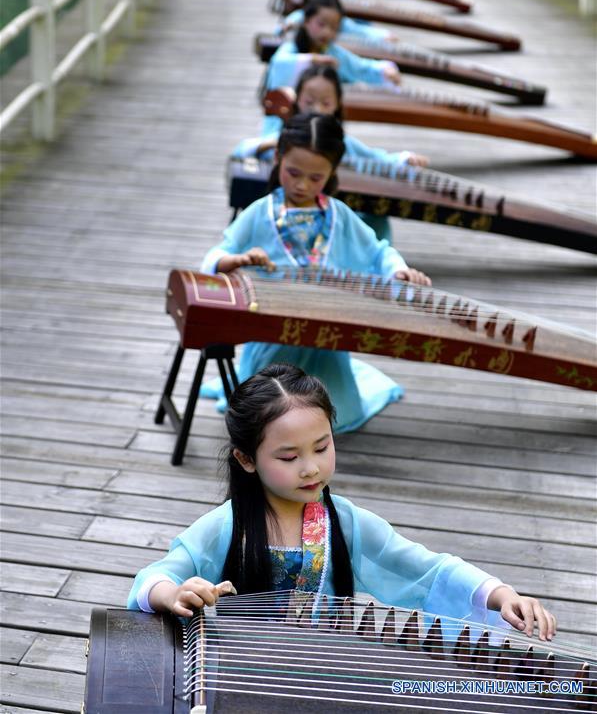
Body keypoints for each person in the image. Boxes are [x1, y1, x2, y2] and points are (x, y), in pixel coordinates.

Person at [127, 363, 556, 651]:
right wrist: (173, 592)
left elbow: (425, 569)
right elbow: (156, 577)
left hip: (327, 665)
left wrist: (500, 594)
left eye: (322, 446)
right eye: (289, 457)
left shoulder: (343, 522)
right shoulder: (227, 527)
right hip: (241, 667)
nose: (311, 468)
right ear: (246, 459)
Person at [202, 112, 429, 432]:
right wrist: (236, 260)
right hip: (272, 335)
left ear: (332, 173)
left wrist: (398, 271)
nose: (301, 184)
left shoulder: (338, 215)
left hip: (324, 337)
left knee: (332, 407)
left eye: (315, 178)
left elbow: (379, 251)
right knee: (268, 413)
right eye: (293, 172)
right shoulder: (260, 213)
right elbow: (217, 254)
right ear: (278, 157)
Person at [233, 64, 428, 241]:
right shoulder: (284, 138)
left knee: (375, 214)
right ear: (297, 99)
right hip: (284, 218)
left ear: (337, 106)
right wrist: (271, 143)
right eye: (309, 102)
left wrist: (404, 159)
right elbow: (242, 151)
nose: (316, 109)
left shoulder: (340, 143)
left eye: (325, 104)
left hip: (332, 222)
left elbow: (376, 159)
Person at [265, 0, 400, 91]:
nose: (327, 32)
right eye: (321, 24)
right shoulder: (291, 47)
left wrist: (384, 70)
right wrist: (313, 59)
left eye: (334, 28)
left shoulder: (333, 53)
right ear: (306, 21)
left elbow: (361, 67)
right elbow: (279, 63)